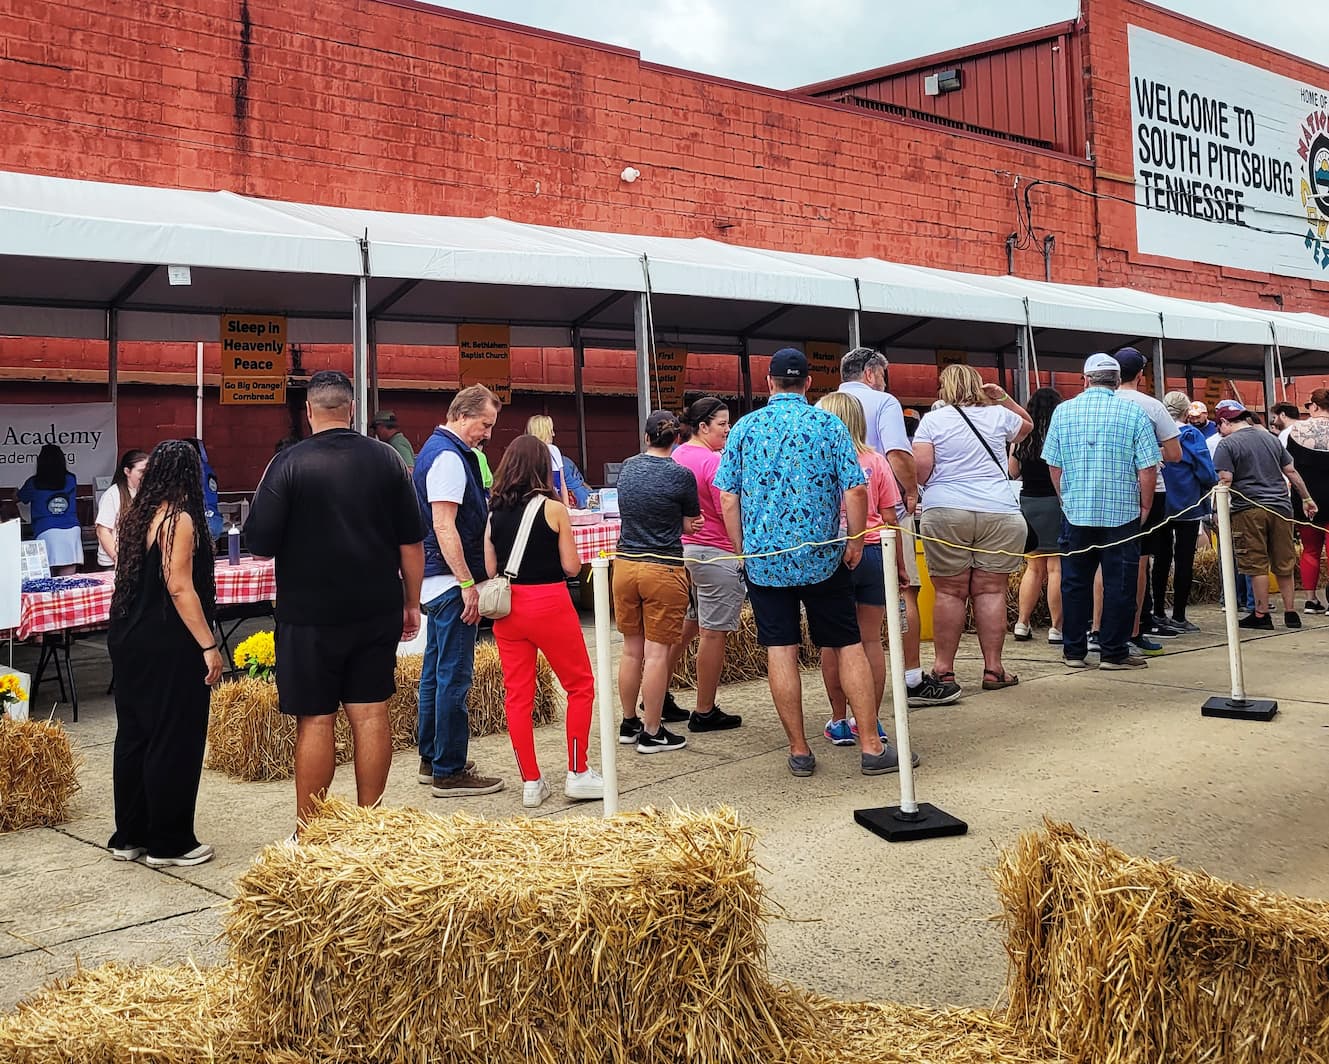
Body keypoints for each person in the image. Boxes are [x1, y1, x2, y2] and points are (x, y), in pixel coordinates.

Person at [245, 370, 427, 831]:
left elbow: (259, 543)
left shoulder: (287, 464)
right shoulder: (387, 460)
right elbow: (411, 542)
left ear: (309, 412)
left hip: (309, 613)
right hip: (376, 604)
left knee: (316, 720)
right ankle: (370, 824)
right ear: (352, 410)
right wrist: (411, 602)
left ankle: (311, 831)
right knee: (371, 714)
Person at [716, 348, 908, 777]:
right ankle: (872, 746)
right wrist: (855, 541)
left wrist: (741, 545)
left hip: (767, 561)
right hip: (823, 557)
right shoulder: (828, 424)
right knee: (847, 644)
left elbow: (727, 494)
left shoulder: (745, 428)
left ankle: (800, 749)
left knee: (780, 650)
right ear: (807, 383)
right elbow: (855, 489)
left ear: (769, 384)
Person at [107, 440, 223, 867]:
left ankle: (129, 834)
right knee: (174, 736)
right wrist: (208, 645)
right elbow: (178, 586)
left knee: (135, 734)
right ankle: (170, 841)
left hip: (128, 635)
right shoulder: (180, 520)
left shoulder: (135, 515)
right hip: (167, 639)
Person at [484, 436, 604, 807]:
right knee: (580, 685)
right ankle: (577, 770)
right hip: (550, 603)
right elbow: (571, 566)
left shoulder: (493, 512)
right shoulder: (553, 509)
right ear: (542, 468)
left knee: (517, 696)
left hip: (509, 611)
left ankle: (531, 781)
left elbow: (491, 568)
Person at [837, 347, 955, 707]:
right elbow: (898, 453)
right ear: (872, 374)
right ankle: (912, 677)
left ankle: (845, 694)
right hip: (880, 510)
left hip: (837, 520)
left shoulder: (824, 405)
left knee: (841, 609)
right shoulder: (883, 401)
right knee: (905, 589)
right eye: (883, 375)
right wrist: (908, 494)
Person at [913, 364, 1032, 692]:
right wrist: (1003, 398)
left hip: (947, 510)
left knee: (950, 592)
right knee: (991, 590)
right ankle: (994, 669)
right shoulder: (998, 416)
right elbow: (1027, 426)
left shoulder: (933, 421)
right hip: (999, 510)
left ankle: (944, 670)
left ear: (944, 387)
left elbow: (921, 471)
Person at [412, 384, 506, 796]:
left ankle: (432, 758)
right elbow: (443, 524)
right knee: (454, 675)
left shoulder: (436, 450)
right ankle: (449, 770)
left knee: (435, 673)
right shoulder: (450, 457)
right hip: (450, 581)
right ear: (463, 415)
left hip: (436, 578)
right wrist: (468, 582)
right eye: (484, 424)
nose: (486, 433)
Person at [1042, 353, 1161, 670]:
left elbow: (1053, 464)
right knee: (1119, 583)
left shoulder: (1063, 412)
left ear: (1086, 379)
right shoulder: (1133, 412)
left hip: (1077, 510)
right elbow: (1147, 466)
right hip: (1121, 511)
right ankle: (1113, 651)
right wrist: (1145, 505)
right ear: (1117, 379)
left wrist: (1065, 497)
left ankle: (1074, 651)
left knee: (1074, 582)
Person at [815, 391, 903, 743]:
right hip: (873, 551)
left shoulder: (817, 459)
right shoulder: (876, 460)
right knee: (870, 640)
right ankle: (869, 719)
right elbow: (890, 516)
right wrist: (899, 564)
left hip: (830, 553)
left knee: (834, 642)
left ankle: (839, 719)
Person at [614, 410, 702, 754]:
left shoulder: (629, 467)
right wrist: (687, 527)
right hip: (663, 565)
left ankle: (628, 720)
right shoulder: (682, 476)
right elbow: (688, 522)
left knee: (630, 650)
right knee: (657, 654)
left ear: (647, 437)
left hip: (626, 563)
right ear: (676, 439)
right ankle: (652, 730)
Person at [667, 396, 744, 732]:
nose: (727, 430)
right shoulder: (713, 461)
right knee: (714, 633)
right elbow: (726, 506)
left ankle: (656, 693)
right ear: (703, 426)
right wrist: (741, 549)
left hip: (684, 551)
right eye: (722, 424)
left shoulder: (678, 454)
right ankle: (705, 708)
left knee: (686, 628)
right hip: (715, 550)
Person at [1212, 399, 1317, 629]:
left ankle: (1261, 613)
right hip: (1280, 507)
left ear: (1223, 422)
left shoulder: (1227, 445)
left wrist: (1217, 510)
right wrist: (1307, 498)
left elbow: (1225, 479)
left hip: (1248, 509)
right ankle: (1291, 613)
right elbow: (1290, 471)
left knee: (1256, 562)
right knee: (1284, 561)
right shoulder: (1270, 438)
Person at [1109, 348, 1182, 652]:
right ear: (1141, 374)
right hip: (1149, 488)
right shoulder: (1152, 406)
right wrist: (1147, 454)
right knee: (1139, 563)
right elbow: (1175, 454)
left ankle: (1100, 627)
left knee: (1104, 560)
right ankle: (1134, 629)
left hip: (1108, 488)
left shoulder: (1100, 403)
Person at [1154, 392, 1218, 633]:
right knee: (1184, 559)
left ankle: (1158, 611)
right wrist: (1209, 483)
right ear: (1185, 412)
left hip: (1160, 502)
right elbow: (1205, 469)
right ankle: (1179, 614)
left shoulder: (1154, 432)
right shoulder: (1191, 434)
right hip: (1187, 502)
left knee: (1160, 559)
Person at [1010, 388, 1064, 645]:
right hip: (1055, 501)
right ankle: (1056, 628)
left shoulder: (1022, 435)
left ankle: (1022, 622)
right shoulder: (1061, 433)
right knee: (1056, 568)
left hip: (1029, 501)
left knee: (1033, 567)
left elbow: (1012, 471)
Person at [1289, 389, 1329, 614]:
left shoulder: (1296, 430)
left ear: (1314, 406)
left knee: (1310, 550)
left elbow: (1289, 466)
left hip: (1306, 497)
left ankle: (1310, 599)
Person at [18, 444, 82, 575]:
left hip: (46, 530)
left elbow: (20, 498)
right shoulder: (71, 479)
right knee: (68, 581)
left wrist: (15, 493)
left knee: (47, 579)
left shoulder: (33, 483)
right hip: (71, 531)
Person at [95, 449, 148, 569]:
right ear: (127, 471)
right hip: (114, 563)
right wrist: (116, 557)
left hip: (138, 561)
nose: (146, 474)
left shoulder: (146, 493)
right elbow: (102, 531)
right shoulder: (112, 494)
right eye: (141, 471)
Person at [525, 415, 571, 507]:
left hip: (557, 505)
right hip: (537, 507)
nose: (553, 434)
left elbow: (562, 484)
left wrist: (566, 506)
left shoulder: (554, 450)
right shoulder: (528, 453)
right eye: (550, 430)